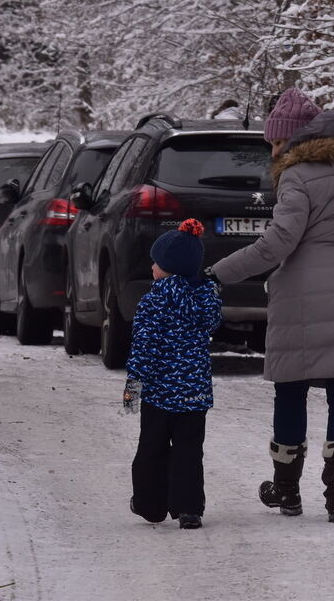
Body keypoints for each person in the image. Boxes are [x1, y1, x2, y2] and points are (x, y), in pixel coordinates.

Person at [209, 87, 334, 524]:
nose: (272, 151)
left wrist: (220, 272)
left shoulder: (297, 176)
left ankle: (287, 491)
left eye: (275, 142)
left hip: (303, 299)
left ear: (293, 140)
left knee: (291, 389)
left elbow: (279, 242)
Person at [124, 219, 222, 530]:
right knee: (189, 451)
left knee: (151, 448)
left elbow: (143, 347)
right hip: (194, 396)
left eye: (156, 261)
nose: (152, 266)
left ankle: (149, 504)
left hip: (158, 394)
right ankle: (189, 508)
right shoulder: (207, 299)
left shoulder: (154, 301)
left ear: (168, 268)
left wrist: (132, 389)